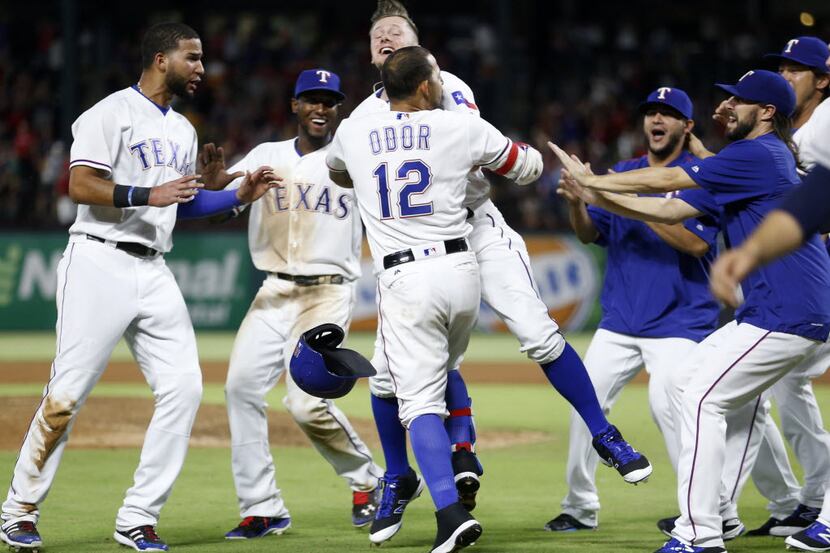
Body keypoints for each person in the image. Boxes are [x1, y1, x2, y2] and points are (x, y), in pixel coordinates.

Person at [353, 2, 651, 543]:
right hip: (419, 246)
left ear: (422, 52)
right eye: (378, 36)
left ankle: (605, 435)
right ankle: (402, 475)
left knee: (538, 334)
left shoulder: (445, 88)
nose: (387, 41)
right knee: (384, 375)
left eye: (397, 33)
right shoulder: (361, 118)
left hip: (476, 229)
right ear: (370, 52)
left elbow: (481, 150)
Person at [0, 22, 277, 552]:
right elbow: (80, 184)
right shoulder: (109, 114)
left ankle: (137, 516)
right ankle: (19, 510)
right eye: (192, 58)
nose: (201, 68)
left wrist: (240, 194)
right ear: (159, 59)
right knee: (67, 393)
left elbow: (185, 202)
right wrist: (148, 193)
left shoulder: (183, 130)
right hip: (99, 261)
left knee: (185, 387)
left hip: (153, 269)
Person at [550, 69, 830, 553]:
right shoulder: (754, 157)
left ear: (766, 112)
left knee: (702, 396)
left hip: (787, 310)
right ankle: (717, 517)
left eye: (740, 101)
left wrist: (595, 179)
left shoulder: (755, 155)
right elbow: (667, 209)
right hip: (774, 311)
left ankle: (700, 533)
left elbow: (668, 180)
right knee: (688, 386)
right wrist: (599, 195)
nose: (728, 107)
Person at [327, 44, 542, 553]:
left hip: (406, 278)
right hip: (462, 270)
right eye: (438, 78)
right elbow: (526, 168)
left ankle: (447, 512)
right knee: (435, 373)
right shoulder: (458, 126)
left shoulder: (355, 130)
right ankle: (462, 450)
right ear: (425, 86)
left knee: (416, 402)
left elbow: (337, 171)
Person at [213, 69, 383, 539]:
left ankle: (368, 480)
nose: (320, 108)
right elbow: (227, 198)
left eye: (329, 101)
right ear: (294, 106)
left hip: (326, 292)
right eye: (311, 99)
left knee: (306, 404)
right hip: (273, 291)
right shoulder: (266, 156)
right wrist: (215, 186)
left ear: (338, 109)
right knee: (240, 389)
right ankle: (262, 508)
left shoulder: (354, 161)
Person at [547, 87, 721, 532]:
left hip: (681, 323)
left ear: (687, 126)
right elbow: (590, 235)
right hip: (620, 322)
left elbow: (697, 242)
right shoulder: (623, 173)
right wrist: (578, 205)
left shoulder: (700, 176)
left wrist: (631, 204)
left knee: (671, 407)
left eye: (668, 113)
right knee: (584, 407)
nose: (656, 119)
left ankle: (696, 512)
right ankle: (579, 508)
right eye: (650, 113)